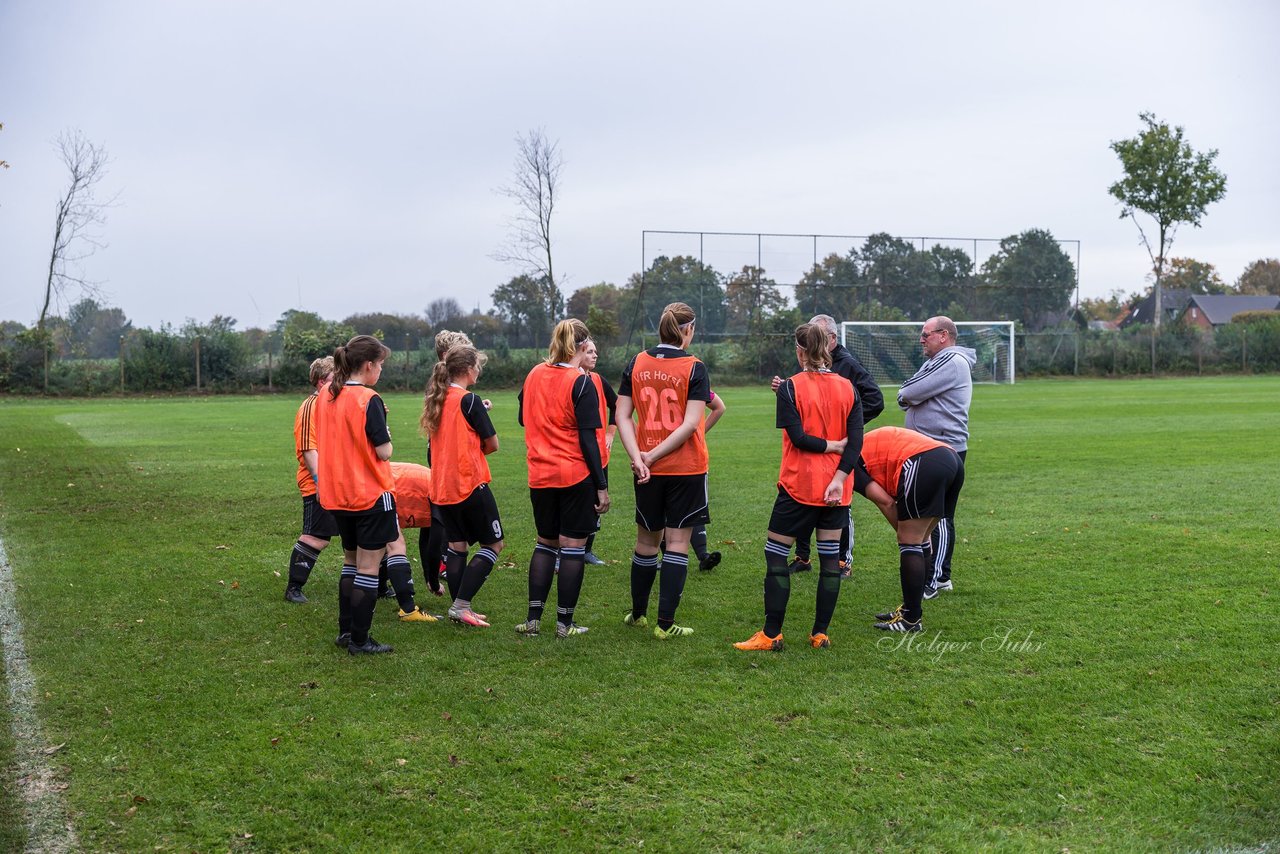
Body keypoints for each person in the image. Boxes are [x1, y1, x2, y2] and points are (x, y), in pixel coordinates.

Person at [735, 323, 863, 651]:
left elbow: (799, 438)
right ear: (828, 348)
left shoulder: (790, 387)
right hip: (837, 490)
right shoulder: (848, 387)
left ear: (799, 350)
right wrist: (838, 476)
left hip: (800, 487)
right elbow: (856, 443)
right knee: (830, 559)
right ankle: (820, 634)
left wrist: (829, 447)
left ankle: (771, 634)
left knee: (776, 554)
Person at [615, 302, 711, 640]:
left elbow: (622, 416)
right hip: (684, 467)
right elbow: (690, 425)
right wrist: (651, 456)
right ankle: (665, 625)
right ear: (688, 330)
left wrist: (639, 458)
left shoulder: (637, 361)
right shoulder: (694, 367)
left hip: (646, 468)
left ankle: (638, 614)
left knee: (646, 540)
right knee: (677, 542)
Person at [515, 319, 610, 638]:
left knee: (545, 544)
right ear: (582, 348)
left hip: (539, 475)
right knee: (572, 548)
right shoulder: (580, 382)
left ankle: (532, 620)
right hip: (573, 475)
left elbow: (521, 417)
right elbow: (588, 439)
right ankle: (564, 624)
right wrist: (601, 486)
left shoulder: (533, 373)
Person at [773, 313, 883, 578]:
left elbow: (875, 400)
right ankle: (803, 556)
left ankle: (842, 562)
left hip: (839, 451)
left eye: (819, 335)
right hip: (811, 450)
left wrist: (850, 426)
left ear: (832, 339)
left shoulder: (846, 367)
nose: (814, 341)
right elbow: (805, 406)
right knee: (803, 498)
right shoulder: (803, 375)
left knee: (837, 503)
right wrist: (785, 392)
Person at [313, 335, 399, 656]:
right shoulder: (368, 398)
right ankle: (360, 641)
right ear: (368, 365)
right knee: (368, 567)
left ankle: (346, 631)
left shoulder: (325, 395)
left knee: (350, 562)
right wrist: (385, 430)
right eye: (380, 365)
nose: (381, 372)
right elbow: (384, 451)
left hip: (338, 494)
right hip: (370, 493)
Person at [420, 344, 503, 627]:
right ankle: (461, 605)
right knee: (493, 544)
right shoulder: (470, 401)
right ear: (469, 369)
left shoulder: (437, 398)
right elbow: (492, 444)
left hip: (442, 487)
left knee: (457, 546)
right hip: (469, 484)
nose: (479, 370)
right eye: (478, 365)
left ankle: (459, 608)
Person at [854, 426, 964, 633]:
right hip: (950, 458)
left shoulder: (847, 463)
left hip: (923, 462)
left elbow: (886, 502)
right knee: (921, 540)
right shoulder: (859, 444)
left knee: (911, 542)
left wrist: (904, 533)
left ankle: (911, 619)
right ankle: (909, 610)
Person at [897, 316, 974, 598]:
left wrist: (910, 395)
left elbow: (909, 391)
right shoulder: (937, 361)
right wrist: (910, 395)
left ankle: (937, 578)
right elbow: (909, 391)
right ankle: (934, 575)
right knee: (929, 514)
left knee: (937, 516)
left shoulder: (951, 361)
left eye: (925, 334)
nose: (921, 339)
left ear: (943, 335)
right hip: (928, 446)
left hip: (942, 446)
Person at [285, 356, 338, 604]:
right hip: (318, 484)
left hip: (342, 484)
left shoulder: (332, 405)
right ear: (320, 382)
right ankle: (293, 588)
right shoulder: (311, 406)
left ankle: (380, 586)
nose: (339, 384)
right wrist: (320, 482)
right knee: (316, 536)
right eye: (333, 379)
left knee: (363, 537)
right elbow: (308, 449)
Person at [578, 338, 617, 566]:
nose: (595, 355)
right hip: (577, 454)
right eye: (590, 351)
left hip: (599, 453)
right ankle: (566, 551)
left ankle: (587, 550)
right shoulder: (571, 380)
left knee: (597, 503)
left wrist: (610, 432)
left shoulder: (598, 380)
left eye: (596, 351)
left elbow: (617, 404)